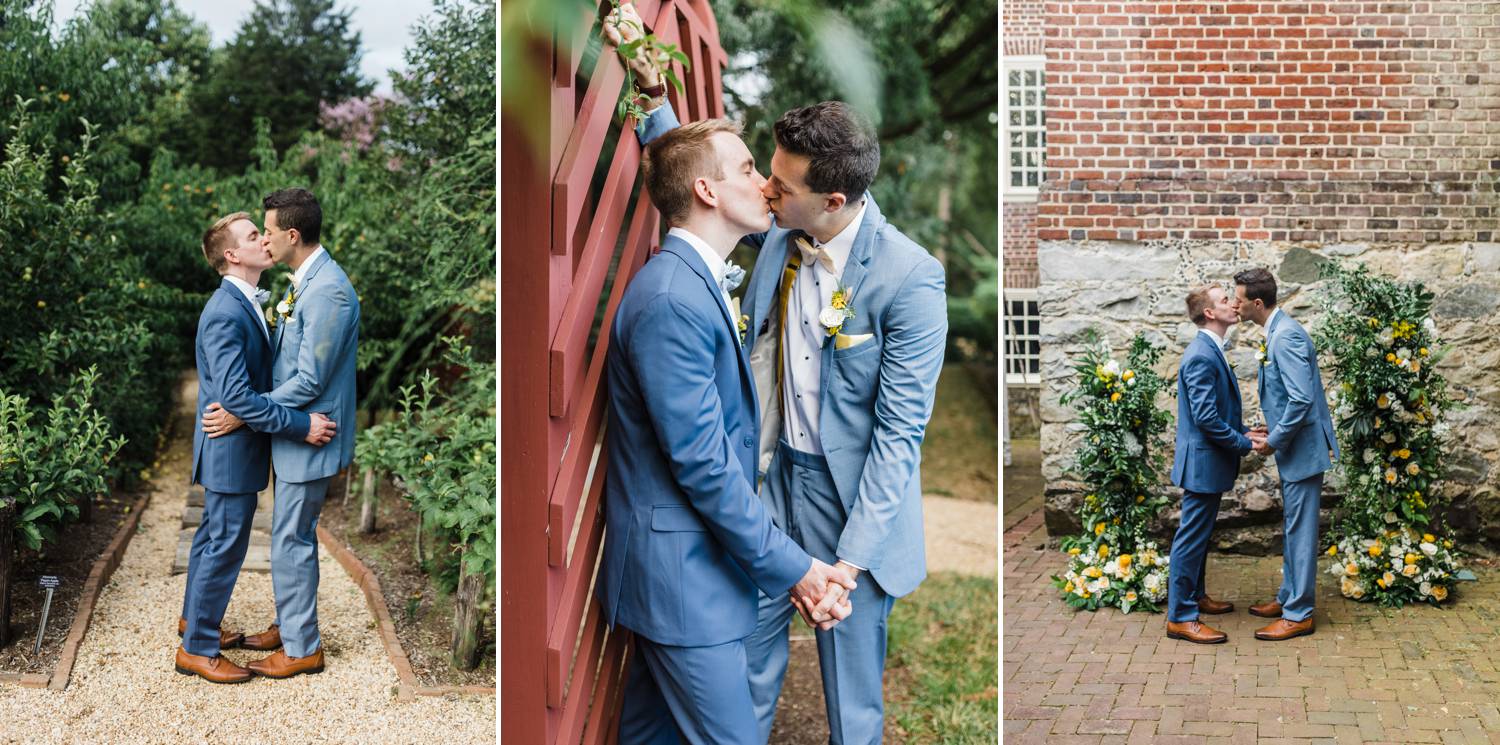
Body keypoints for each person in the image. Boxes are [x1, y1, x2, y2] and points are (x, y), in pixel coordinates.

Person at [606, 6, 949, 741]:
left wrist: (849, 563)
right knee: (744, 669)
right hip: (764, 490)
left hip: (849, 503)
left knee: (852, 705)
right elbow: (698, 182)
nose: (764, 189)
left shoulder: (910, 279)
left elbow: (899, 436)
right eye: (763, 170)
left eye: (780, 183)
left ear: (831, 200)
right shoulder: (777, 236)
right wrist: (649, 85)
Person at [597, 111, 860, 745]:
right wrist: (797, 570)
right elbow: (704, 465)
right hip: (680, 586)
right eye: (748, 169)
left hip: (691, 575)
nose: (764, 184)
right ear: (707, 192)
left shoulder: (692, 284)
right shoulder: (671, 300)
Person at [201, 188, 361, 676]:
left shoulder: (329, 289)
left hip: (312, 436)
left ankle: (302, 648)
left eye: (268, 231)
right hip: (292, 434)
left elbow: (310, 379)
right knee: (288, 536)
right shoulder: (302, 282)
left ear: (292, 235)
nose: (265, 239)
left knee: (291, 539)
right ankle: (291, 624)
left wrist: (246, 412)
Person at [177, 212, 336, 683]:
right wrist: (300, 426)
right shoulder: (226, 310)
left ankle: (194, 622)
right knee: (225, 545)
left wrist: (242, 408)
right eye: (252, 236)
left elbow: (243, 392)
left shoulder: (247, 302)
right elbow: (238, 396)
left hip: (234, 442)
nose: (263, 240)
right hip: (231, 448)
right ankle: (198, 649)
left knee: (211, 541)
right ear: (231, 255)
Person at [1234, 267, 1338, 641]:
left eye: (1239, 299)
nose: (1235, 305)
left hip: (1302, 448)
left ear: (1257, 303)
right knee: (1294, 526)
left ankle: (1299, 614)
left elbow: (1301, 399)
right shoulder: (1276, 332)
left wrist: (1274, 439)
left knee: (1302, 530)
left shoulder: (1286, 336)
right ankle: (1288, 597)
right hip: (1294, 447)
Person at [1164, 285, 1250, 644]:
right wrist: (1243, 443)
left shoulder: (1212, 349)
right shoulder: (1201, 354)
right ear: (1210, 313)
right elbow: (1206, 419)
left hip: (1206, 461)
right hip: (1203, 463)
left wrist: (1248, 430)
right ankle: (1181, 617)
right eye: (1225, 300)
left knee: (1198, 536)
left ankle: (1196, 596)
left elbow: (1220, 412)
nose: (1234, 303)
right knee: (1190, 538)